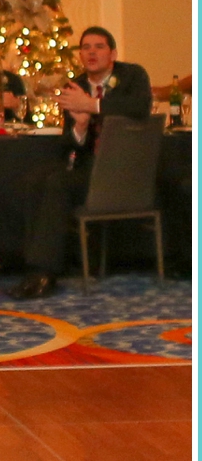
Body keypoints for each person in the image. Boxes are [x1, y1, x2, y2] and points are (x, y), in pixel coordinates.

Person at [14, 26, 153, 299]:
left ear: (112, 53)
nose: (91, 52)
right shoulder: (74, 86)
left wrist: (93, 106)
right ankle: (35, 266)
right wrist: (80, 127)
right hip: (90, 169)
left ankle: (45, 272)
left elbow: (140, 108)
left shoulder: (132, 76)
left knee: (58, 183)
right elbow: (72, 144)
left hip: (126, 170)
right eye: (85, 47)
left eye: (99, 46)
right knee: (33, 181)